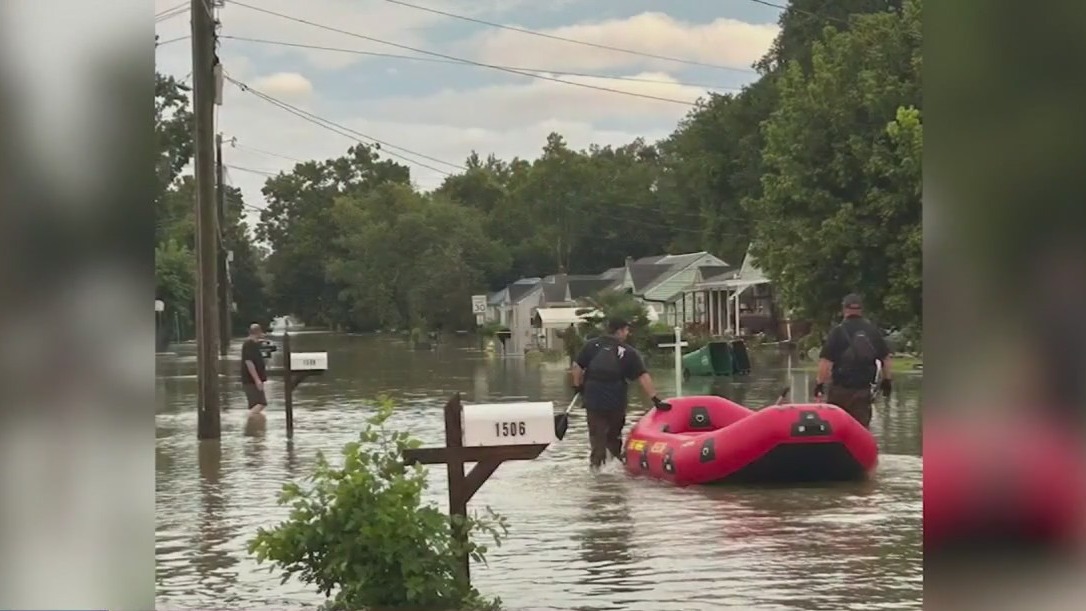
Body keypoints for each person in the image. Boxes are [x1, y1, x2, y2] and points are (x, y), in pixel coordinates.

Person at [570, 318, 671, 470]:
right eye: (626, 330)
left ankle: (596, 471)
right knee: (614, 436)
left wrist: (577, 386)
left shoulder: (591, 346)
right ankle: (615, 470)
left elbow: (577, 367)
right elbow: (642, 376)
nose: (628, 333)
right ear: (620, 331)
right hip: (616, 401)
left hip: (593, 400)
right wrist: (655, 399)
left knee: (597, 437)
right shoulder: (628, 352)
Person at [813, 294, 893, 428]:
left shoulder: (837, 332)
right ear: (861, 310)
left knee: (837, 428)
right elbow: (886, 358)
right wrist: (887, 381)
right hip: (863, 390)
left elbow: (825, 362)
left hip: (839, 390)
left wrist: (819, 384)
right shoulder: (872, 331)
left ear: (844, 309)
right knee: (860, 429)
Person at [240, 323, 269, 415]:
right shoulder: (249, 344)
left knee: (255, 405)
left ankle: (253, 424)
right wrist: (257, 380)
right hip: (251, 380)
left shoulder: (254, 344)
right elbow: (249, 362)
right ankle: (248, 418)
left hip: (253, 380)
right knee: (261, 403)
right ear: (258, 332)